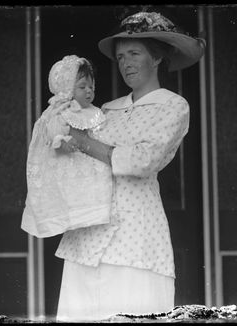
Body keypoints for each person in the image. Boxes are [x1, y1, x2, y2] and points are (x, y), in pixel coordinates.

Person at [54, 11, 206, 321]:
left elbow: (142, 161)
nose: (126, 62)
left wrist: (84, 142)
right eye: (121, 56)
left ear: (157, 59)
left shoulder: (172, 105)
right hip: (87, 236)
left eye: (134, 53)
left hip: (136, 240)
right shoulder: (107, 110)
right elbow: (78, 162)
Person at [21, 55, 113, 238]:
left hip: (92, 165)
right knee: (70, 190)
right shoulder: (60, 111)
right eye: (82, 87)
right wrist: (61, 141)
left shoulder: (94, 112)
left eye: (91, 87)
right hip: (70, 162)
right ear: (67, 89)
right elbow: (53, 131)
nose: (88, 91)